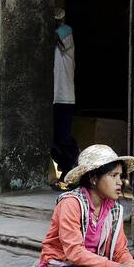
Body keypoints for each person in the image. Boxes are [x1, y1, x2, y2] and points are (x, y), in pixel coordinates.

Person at [51, 10, 78, 185]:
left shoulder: (66, 34)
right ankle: (67, 168)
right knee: (53, 138)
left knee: (63, 136)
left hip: (64, 98)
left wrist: (57, 22)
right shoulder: (54, 49)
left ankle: (73, 165)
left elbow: (60, 33)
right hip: (52, 98)